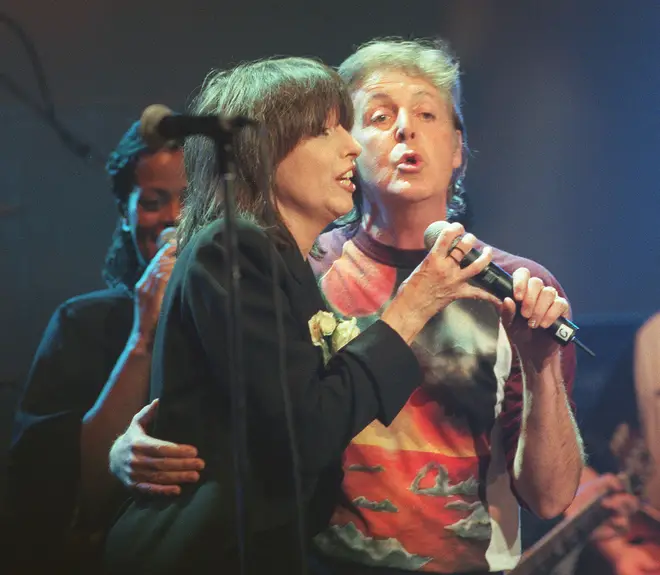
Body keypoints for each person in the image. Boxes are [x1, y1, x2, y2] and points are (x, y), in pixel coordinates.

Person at [109, 39, 583, 575]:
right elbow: (244, 414)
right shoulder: (296, 263)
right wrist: (132, 449)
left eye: (427, 113)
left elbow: (549, 499)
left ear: (458, 149)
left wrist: (541, 364)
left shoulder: (518, 288)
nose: (405, 129)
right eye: (378, 116)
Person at [4, 121, 187, 574]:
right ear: (124, 214)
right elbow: (59, 491)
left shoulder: (248, 317)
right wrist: (143, 336)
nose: (174, 216)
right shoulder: (82, 323)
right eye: (151, 201)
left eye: (190, 197)